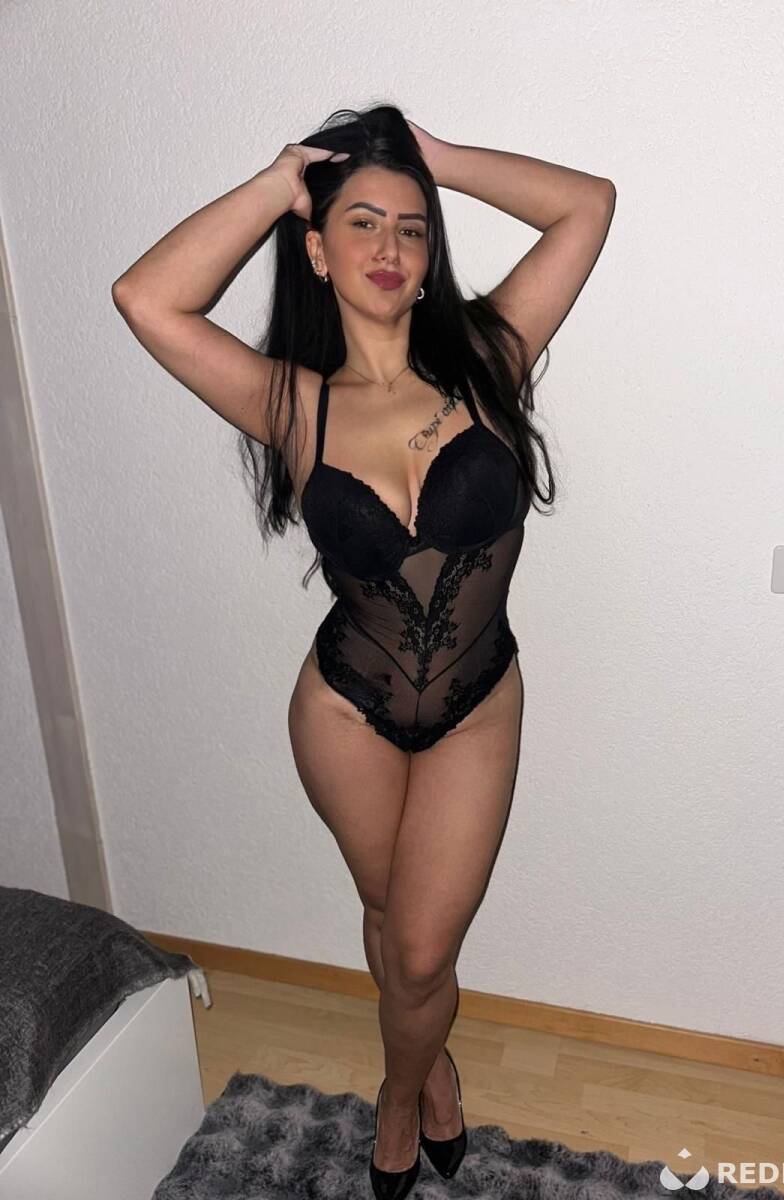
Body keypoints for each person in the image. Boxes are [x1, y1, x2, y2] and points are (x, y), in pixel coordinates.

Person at [112, 103, 615, 1200]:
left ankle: (400, 1089)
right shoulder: (291, 401)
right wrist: (278, 179)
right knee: (389, 917)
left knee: (421, 951)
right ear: (317, 249)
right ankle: (429, 1075)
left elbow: (588, 206)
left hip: (476, 706)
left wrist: (438, 160)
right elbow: (145, 298)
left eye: (411, 227)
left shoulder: (489, 357)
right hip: (344, 709)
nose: (390, 247)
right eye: (362, 223)